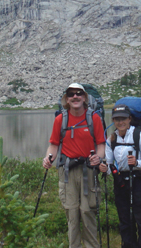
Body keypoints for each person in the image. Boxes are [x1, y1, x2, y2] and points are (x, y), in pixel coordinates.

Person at [43, 83, 106, 248]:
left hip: (88, 170)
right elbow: (54, 145)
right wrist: (48, 158)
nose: (75, 96)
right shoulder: (60, 120)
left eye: (79, 93)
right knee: (72, 212)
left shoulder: (93, 118)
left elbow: (101, 144)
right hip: (67, 171)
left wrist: (98, 158)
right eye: (71, 94)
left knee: (87, 211)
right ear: (67, 99)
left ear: (85, 98)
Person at [99, 104, 141, 248]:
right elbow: (110, 165)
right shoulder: (111, 139)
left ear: (129, 119)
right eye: (117, 119)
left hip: (140, 181)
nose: (120, 122)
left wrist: (136, 163)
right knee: (125, 220)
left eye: (123, 119)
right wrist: (105, 169)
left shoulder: (140, 135)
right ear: (113, 120)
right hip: (121, 182)